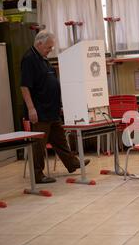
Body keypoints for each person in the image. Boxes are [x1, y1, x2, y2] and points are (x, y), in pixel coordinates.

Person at [21, 31, 89, 183]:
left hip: (52, 110)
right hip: (39, 111)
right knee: (39, 144)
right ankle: (38, 175)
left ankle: (72, 163)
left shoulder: (43, 59)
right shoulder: (29, 59)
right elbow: (24, 86)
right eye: (48, 47)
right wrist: (31, 109)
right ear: (39, 44)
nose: (50, 50)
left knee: (60, 139)